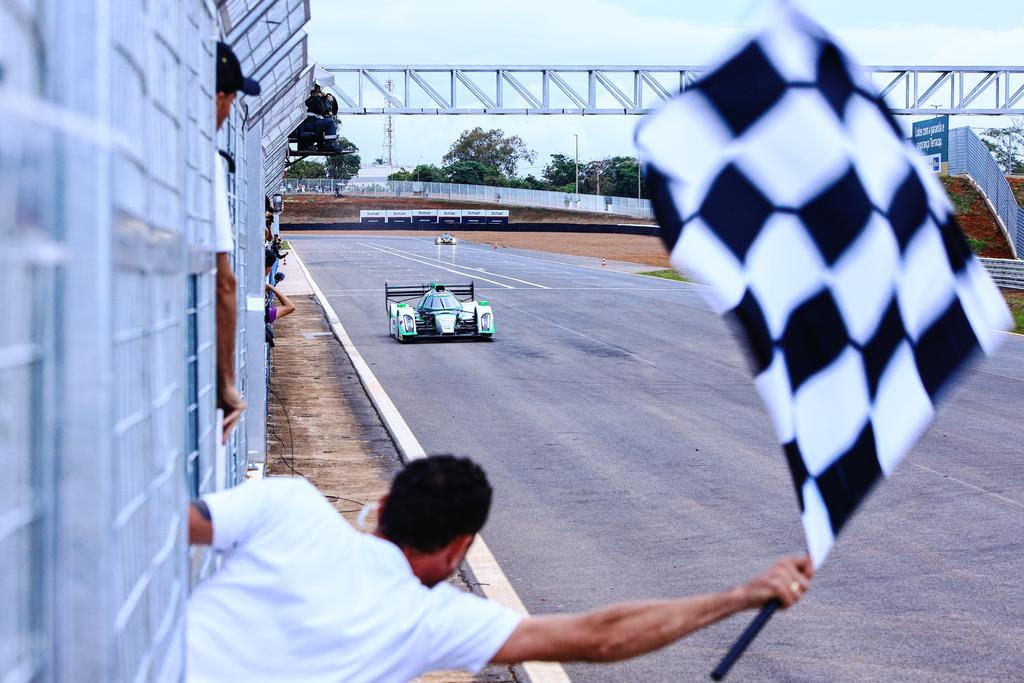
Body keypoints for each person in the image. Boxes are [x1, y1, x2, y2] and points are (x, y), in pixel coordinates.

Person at [186, 455, 813, 682]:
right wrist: (738, 596)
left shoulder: (287, 502)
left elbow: (158, 524)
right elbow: (598, 637)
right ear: (459, 549)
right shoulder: (432, 619)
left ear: (380, 507)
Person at [213, 41, 260, 443]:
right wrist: (227, 380)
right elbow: (224, 282)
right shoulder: (207, 163)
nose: (228, 111)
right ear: (221, 97)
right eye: (229, 99)